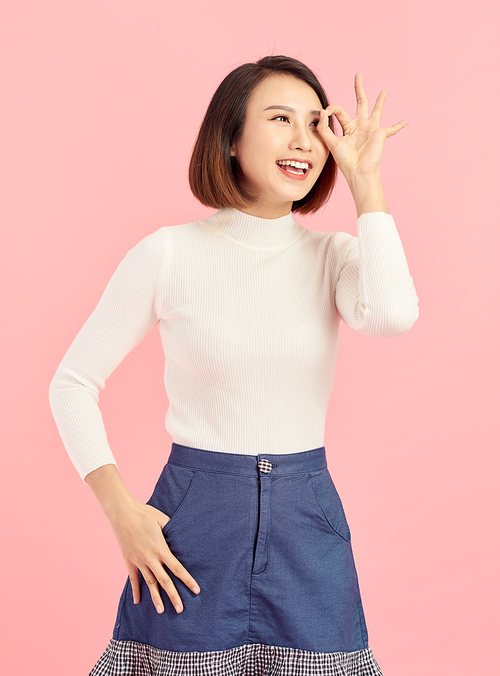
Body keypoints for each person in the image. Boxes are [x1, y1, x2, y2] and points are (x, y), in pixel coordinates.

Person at [49, 55, 419, 676]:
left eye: (315, 124)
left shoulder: (333, 256)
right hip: (194, 521)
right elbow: (72, 383)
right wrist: (121, 512)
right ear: (231, 135)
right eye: (280, 118)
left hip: (308, 519)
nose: (304, 140)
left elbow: (393, 314)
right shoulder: (168, 254)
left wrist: (367, 182)